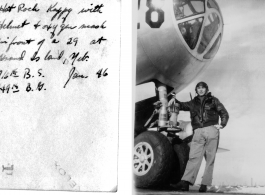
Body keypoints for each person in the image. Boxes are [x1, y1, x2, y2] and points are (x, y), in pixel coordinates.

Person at [168, 81, 229, 192]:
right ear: (196, 90)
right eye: (198, 88)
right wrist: (173, 98)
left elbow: (224, 112)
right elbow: (181, 105)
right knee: (193, 158)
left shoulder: (214, 100)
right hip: (198, 132)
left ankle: (204, 185)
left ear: (206, 89)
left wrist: (222, 124)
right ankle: (185, 184)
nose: (201, 89)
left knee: (210, 159)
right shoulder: (192, 103)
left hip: (212, 130)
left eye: (203, 88)